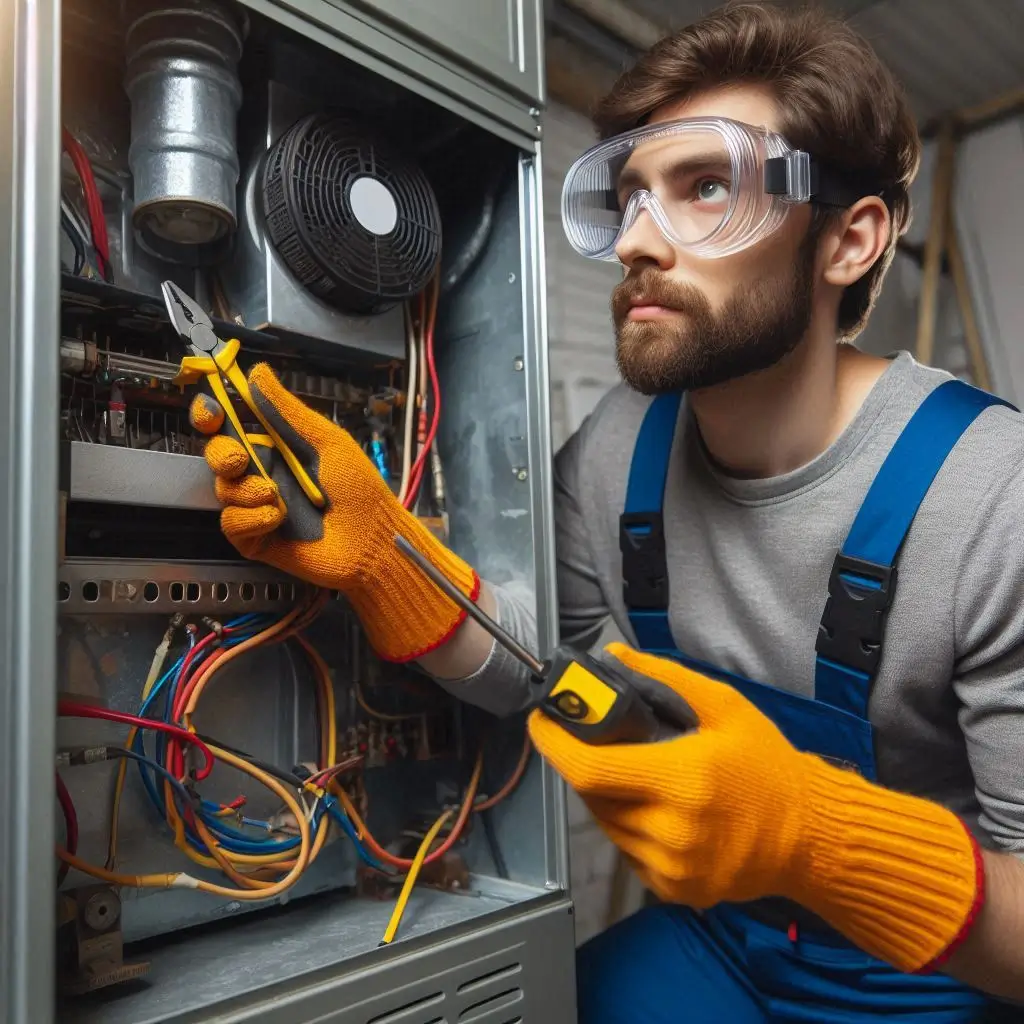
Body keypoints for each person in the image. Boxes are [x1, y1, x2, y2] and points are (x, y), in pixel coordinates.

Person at [187, 2, 1024, 1019]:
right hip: (718, 932)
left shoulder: (991, 495)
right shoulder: (620, 452)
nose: (635, 240)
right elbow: (549, 673)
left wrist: (812, 833)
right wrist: (388, 568)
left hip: (932, 972)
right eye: (628, 198)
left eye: (705, 188)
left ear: (848, 241)